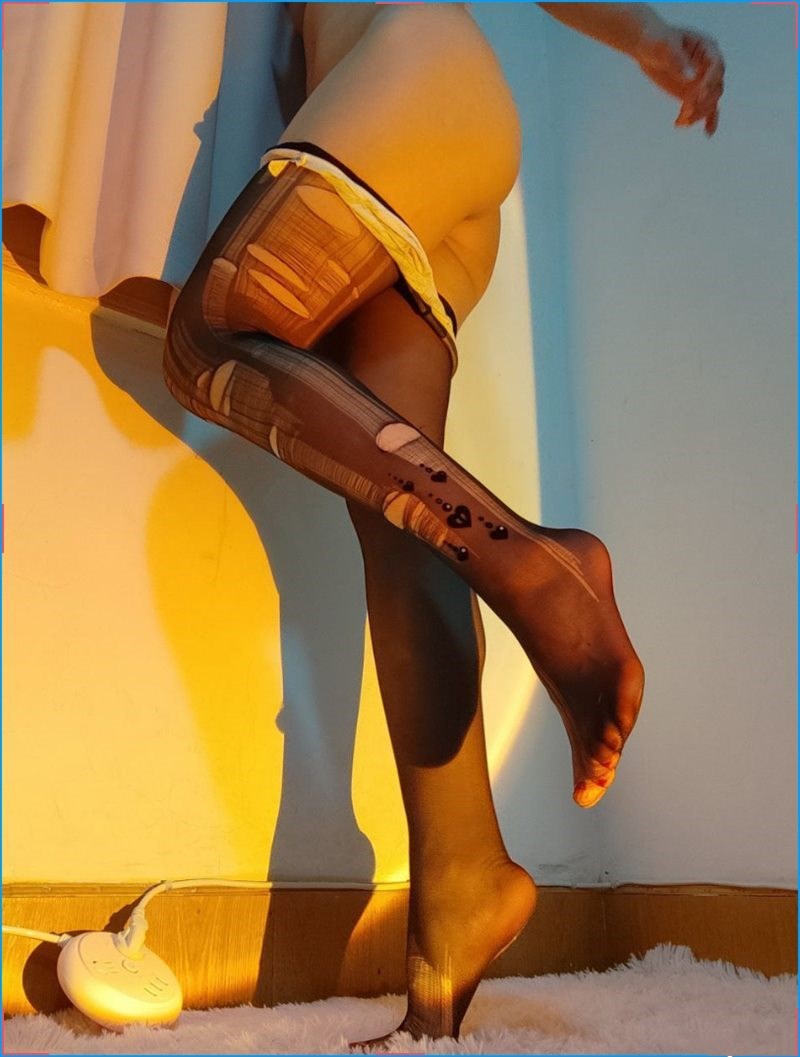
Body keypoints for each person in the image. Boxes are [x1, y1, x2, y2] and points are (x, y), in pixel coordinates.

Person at [163, 2, 725, 1046]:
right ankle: (459, 892)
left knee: (211, 340)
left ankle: (538, 569)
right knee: (399, 520)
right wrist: (648, 39)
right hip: (421, 134)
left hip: (410, 76)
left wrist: (645, 35)